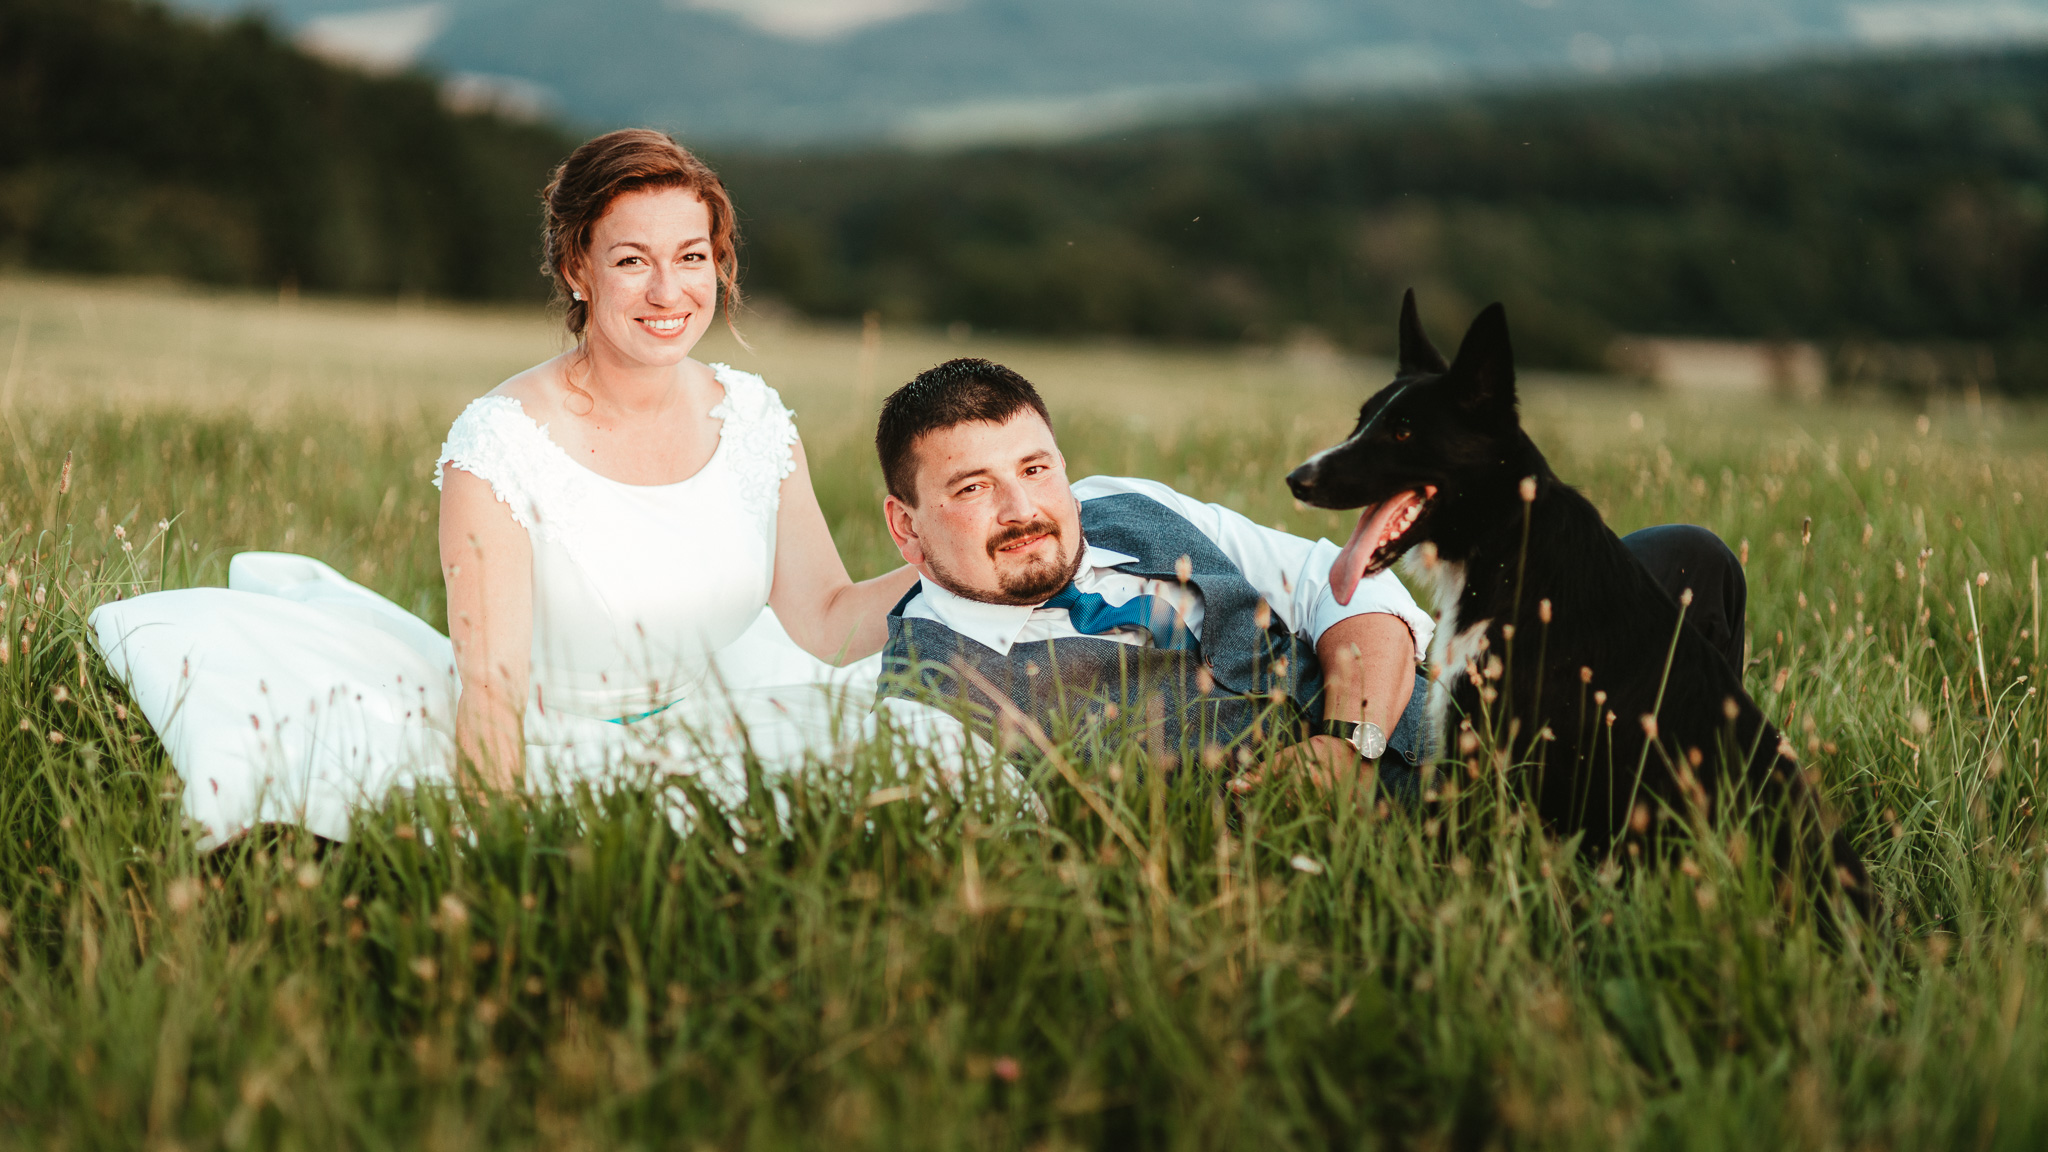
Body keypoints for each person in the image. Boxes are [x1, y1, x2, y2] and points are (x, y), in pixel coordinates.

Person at [88, 129, 914, 848]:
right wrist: (498, 848)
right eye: (633, 260)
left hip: (717, 715)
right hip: (555, 742)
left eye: (691, 257)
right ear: (577, 269)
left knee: (916, 766)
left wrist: (956, 562)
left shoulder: (754, 416)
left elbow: (827, 622)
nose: (669, 292)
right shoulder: (500, 445)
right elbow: (493, 690)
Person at [870, 359, 1438, 790]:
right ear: (906, 526)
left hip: (1471, 750)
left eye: (1035, 469)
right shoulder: (926, 705)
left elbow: (1347, 588)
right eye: (973, 487)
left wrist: (1347, 745)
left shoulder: (1125, 502)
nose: (1022, 509)